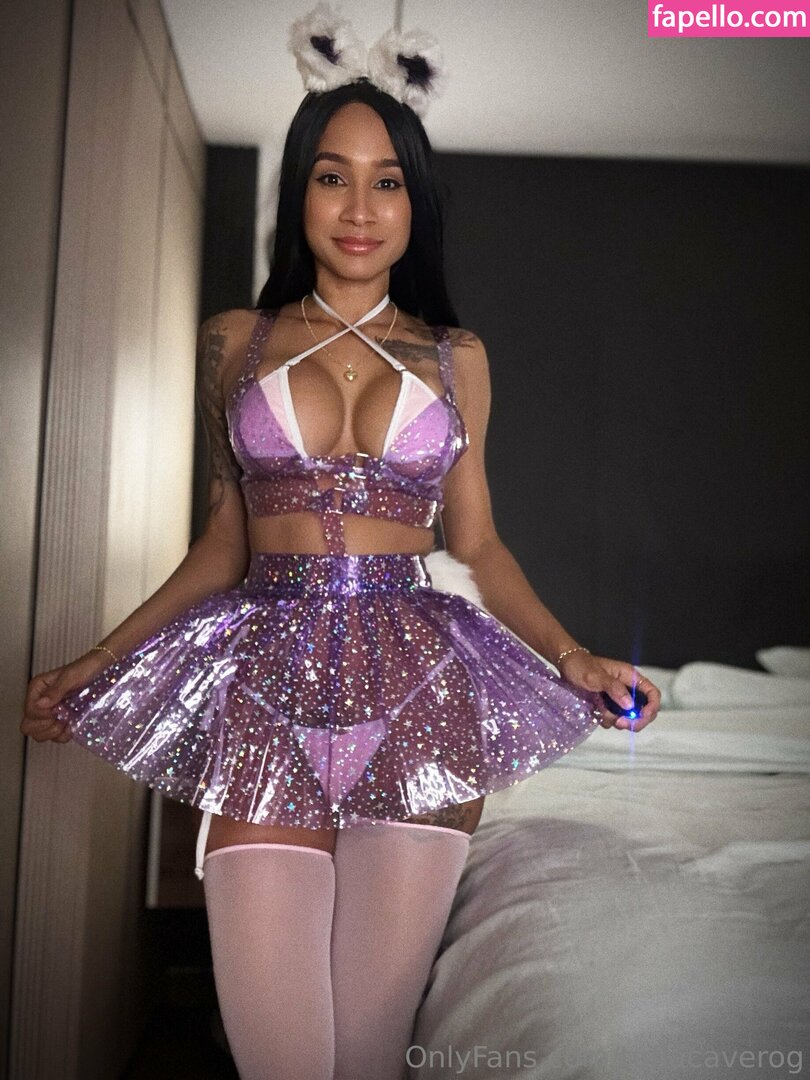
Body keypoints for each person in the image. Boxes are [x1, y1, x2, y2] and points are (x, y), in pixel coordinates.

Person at [21, 7, 660, 1078]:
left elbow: (479, 545)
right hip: (266, 691)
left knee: (364, 1057)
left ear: (417, 201)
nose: (360, 208)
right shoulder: (236, 341)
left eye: (387, 182)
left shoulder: (457, 356)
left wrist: (572, 657)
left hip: (420, 695)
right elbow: (223, 541)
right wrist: (99, 658)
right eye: (332, 177)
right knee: (279, 1059)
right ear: (299, 192)